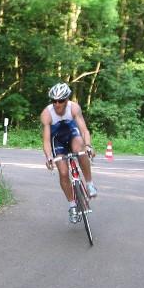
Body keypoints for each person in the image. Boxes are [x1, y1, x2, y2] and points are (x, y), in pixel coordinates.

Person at [42, 82, 97, 223]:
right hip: (57, 140)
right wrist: (48, 157)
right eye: (54, 100)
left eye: (60, 100)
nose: (57, 104)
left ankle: (89, 183)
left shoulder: (74, 108)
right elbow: (46, 140)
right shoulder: (47, 113)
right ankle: (72, 206)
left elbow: (84, 130)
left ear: (67, 99)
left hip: (72, 134)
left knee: (81, 150)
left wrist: (89, 146)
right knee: (63, 172)